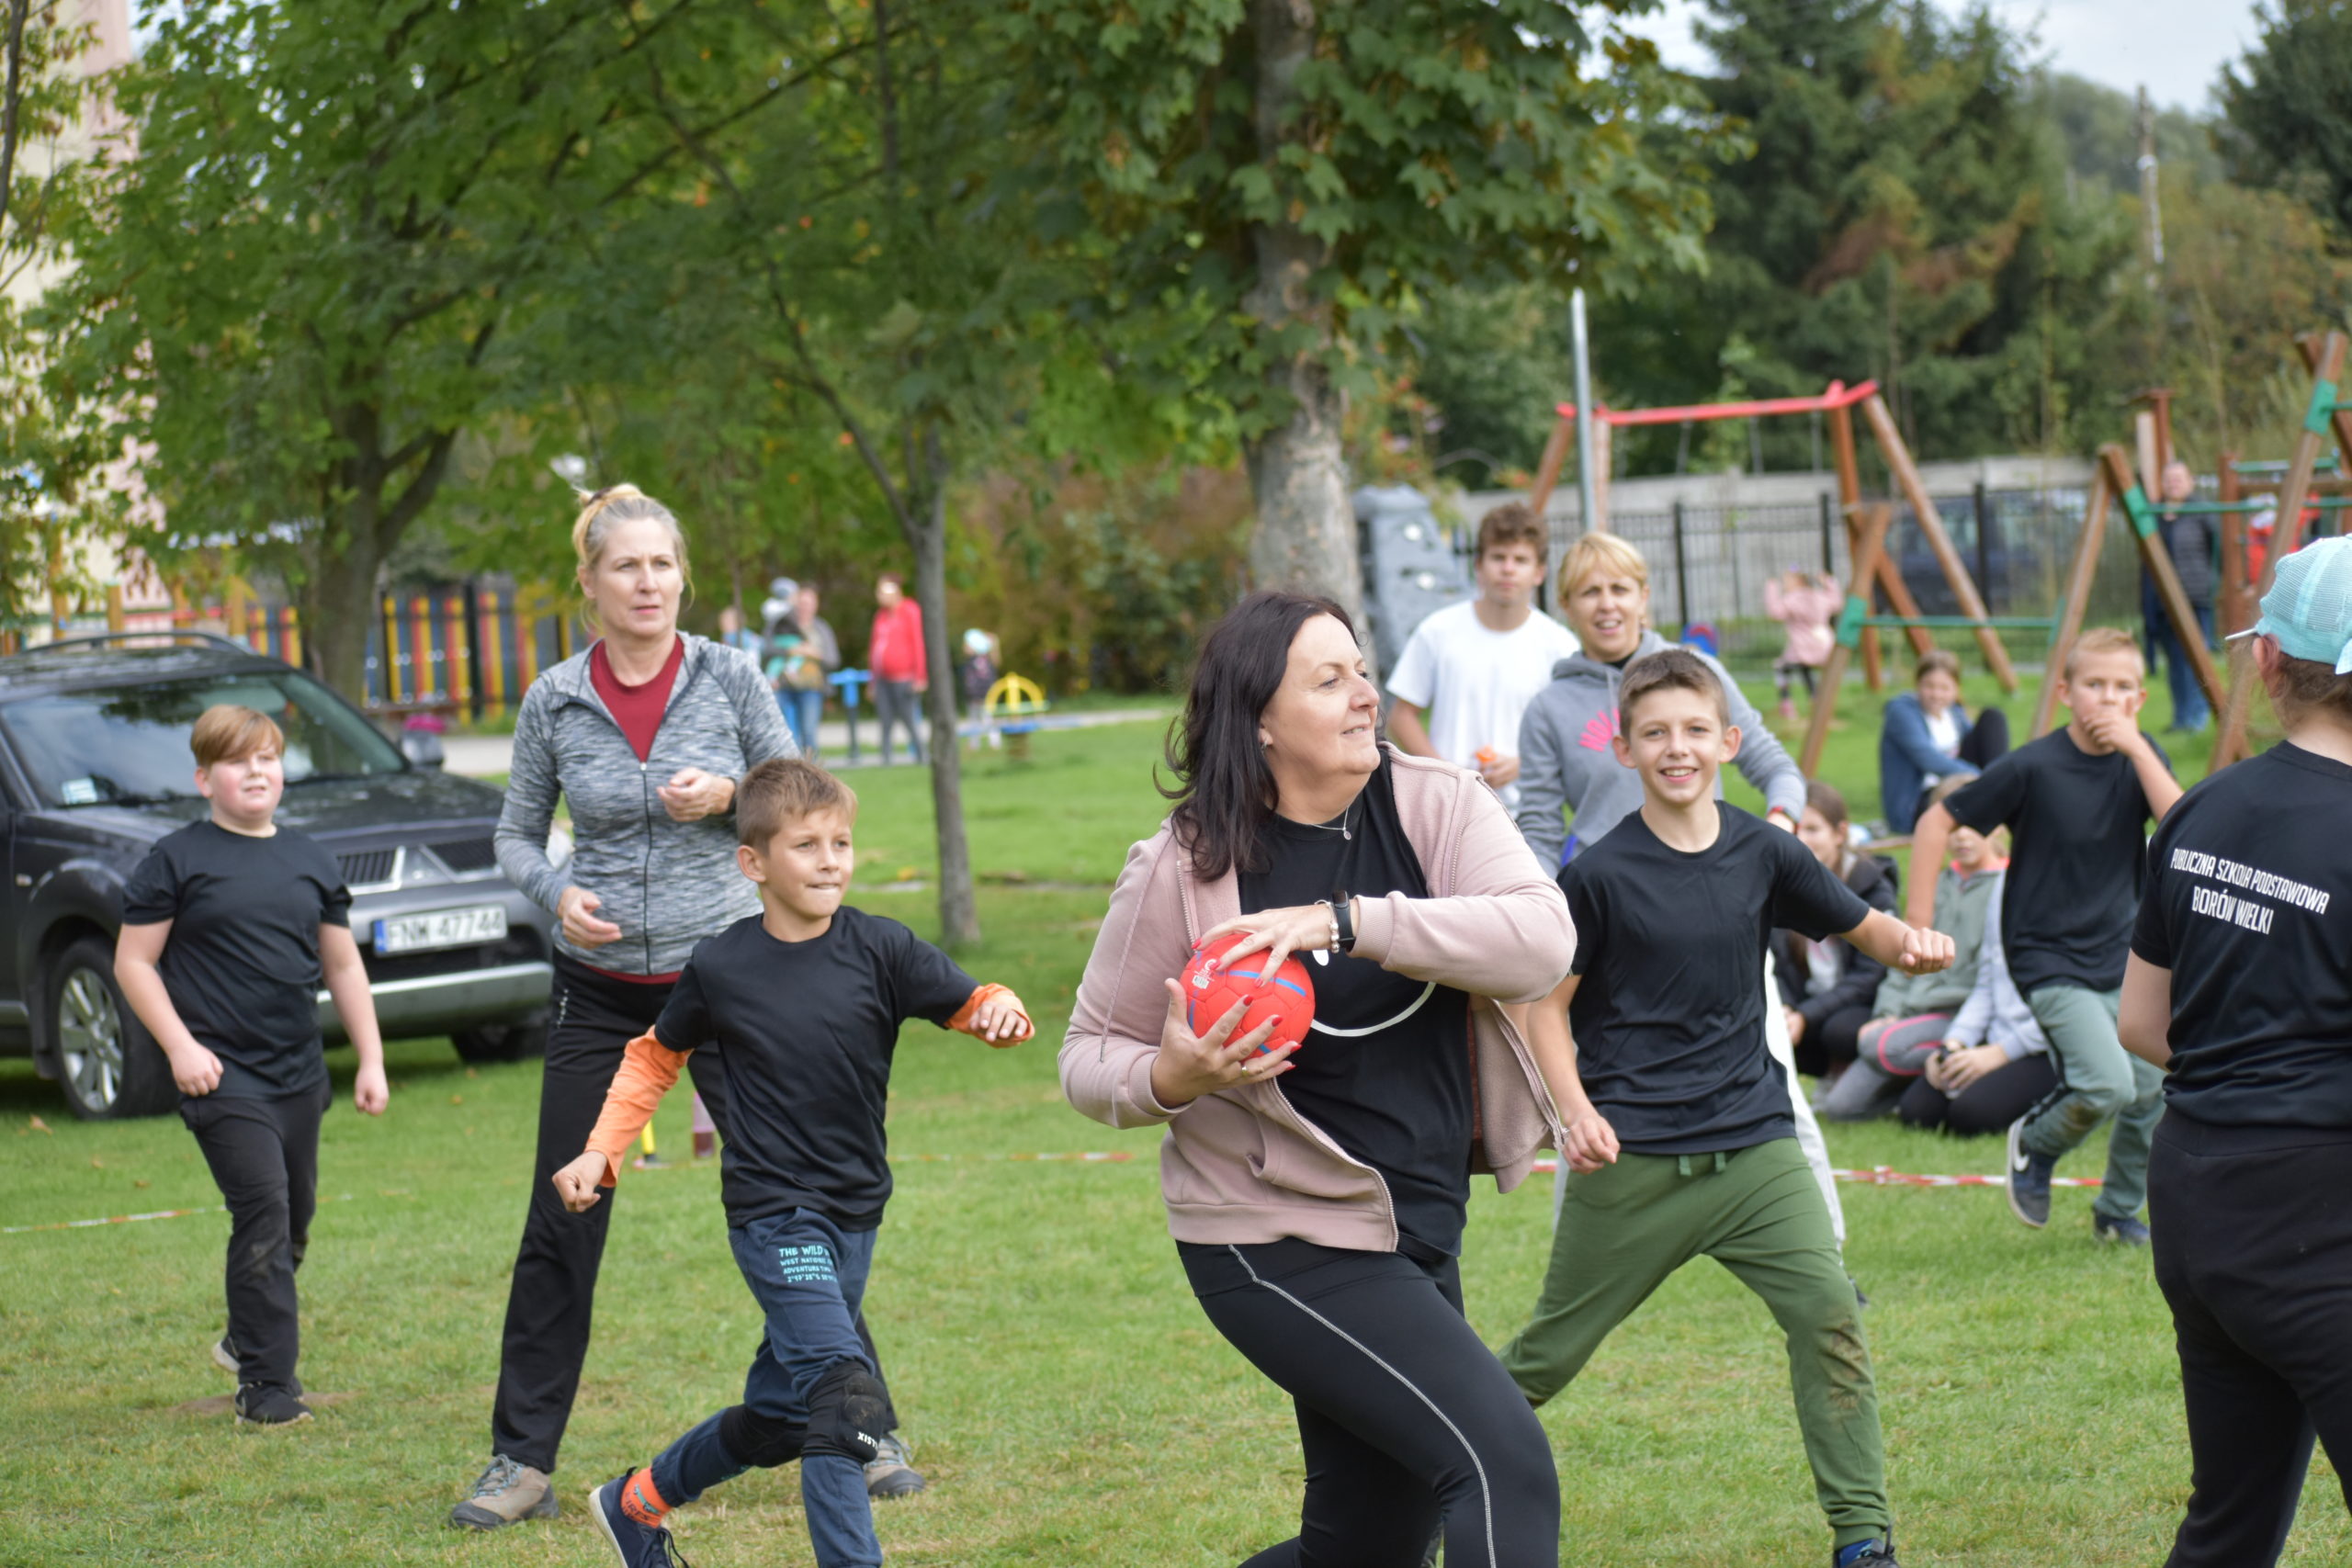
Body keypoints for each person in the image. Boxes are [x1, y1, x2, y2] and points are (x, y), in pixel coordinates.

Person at [1063, 591, 1575, 1567]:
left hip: (1414, 1218)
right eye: (1327, 679)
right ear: (1260, 719)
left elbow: (1541, 939)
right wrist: (1172, 1076)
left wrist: (1351, 922)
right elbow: (1088, 1054)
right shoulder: (1180, 866)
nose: (1362, 698)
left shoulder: (1437, 803)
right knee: (1502, 1465)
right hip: (1271, 1233)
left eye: (1363, 673)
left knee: (1368, 1552)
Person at [1499, 649, 1951, 1568]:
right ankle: (1407, 1494)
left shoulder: (1764, 850)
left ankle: (1863, 1539)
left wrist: (1917, 945)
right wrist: (1574, 1112)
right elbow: (1540, 1009)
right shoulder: (1597, 876)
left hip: (1754, 1150)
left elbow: (1871, 929)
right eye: (1655, 733)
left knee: (1828, 1312)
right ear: (1622, 749)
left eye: (1695, 731)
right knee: (1543, 1361)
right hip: (1634, 1160)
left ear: (1728, 742)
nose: (1677, 749)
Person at [456, 484, 838, 1528]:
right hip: (600, 990)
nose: (646, 583)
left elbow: (807, 800)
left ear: (682, 577)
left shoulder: (729, 675)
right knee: (563, 1214)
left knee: (795, 1202)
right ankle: (519, 1460)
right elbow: (515, 837)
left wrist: (728, 801)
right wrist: (555, 894)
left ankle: (864, 1419)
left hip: (730, 984)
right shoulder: (554, 699)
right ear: (588, 584)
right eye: (624, 567)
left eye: (661, 565)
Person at [553, 759, 1034, 1568]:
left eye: (841, 842)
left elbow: (970, 998)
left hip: (854, 1216)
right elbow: (652, 1057)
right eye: (805, 844)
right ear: (754, 863)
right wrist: (602, 1150)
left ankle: (634, 1504)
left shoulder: (881, 946)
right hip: (775, 1214)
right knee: (844, 1398)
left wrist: (999, 1008)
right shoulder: (721, 965)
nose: (829, 860)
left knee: (782, 1417)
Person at [2119, 538, 2352, 1567]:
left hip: (2199, 1208)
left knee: (2230, 1525)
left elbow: (2140, 1025)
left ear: (2264, 663)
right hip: (2318, 1227)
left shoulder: (2201, 806)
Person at [1514, 532, 1847, 1244]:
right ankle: (1580, 1263)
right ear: (1567, 605)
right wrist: (1549, 911)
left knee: (1780, 1086)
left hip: (1718, 917)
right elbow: (1539, 827)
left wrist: (1775, 835)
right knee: (1591, 1093)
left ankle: (1828, 1253)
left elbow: (1775, 768)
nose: (1608, 605)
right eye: (1590, 591)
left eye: (1620, 588)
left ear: (1644, 595)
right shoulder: (1549, 708)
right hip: (1613, 930)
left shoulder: (1700, 674)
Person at [113, 705, 390, 1427]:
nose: (257, 771)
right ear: (206, 778)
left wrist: (371, 1058)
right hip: (219, 1073)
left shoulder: (309, 858)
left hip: (297, 1072)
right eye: (238, 761)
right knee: (262, 1207)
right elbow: (133, 962)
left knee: (294, 1219)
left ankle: (245, 1335)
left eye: (267, 757)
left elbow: (342, 964)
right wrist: (181, 1046)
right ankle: (267, 1386)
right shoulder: (175, 859)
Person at [1906, 625, 2180, 1243]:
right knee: (2107, 1083)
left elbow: (2183, 826)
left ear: (2139, 698)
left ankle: (2116, 1211)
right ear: (2064, 691)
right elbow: (1934, 822)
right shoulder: (2033, 765)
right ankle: (2034, 1141)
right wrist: (1917, 923)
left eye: (2122, 687)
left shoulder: (2143, 757)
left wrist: (2139, 751)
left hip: (2123, 955)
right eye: (2093, 685)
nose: (2107, 699)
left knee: (2148, 1092)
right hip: (2047, 957)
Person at [1816, 775, 2004, 1122]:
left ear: (1997, 827)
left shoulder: (2005, 888)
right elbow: (1902, 955)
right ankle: (1913, 1079)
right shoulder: (1934, 885)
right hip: (1912, 1013)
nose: (1962, 836)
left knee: (1880, 1045)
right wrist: (1888, 1011)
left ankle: (1956, 1058)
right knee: (1840, 1109)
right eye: (1952, 827)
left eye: (1973, 825)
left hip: (1959, 1017)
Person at [1384, 502, 1579, 811]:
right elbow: (1401, 716)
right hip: (1448, 809)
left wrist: (1522, 762)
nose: (1508, 569)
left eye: (1521, 560)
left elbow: (1572, 731)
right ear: (1478, 565)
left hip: (1528, 814)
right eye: (1498, 557)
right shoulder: (1438, 631)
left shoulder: (1560, 646)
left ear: (1540, 572)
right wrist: (1447, 775)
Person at [1895, 898, 2056, 1137]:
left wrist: (2001, 1053)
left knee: (1970, 1116)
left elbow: (2070, 1010)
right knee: (1917, 1111)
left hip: (2051, 1047)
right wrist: (1954, 1043)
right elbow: (1985, 987)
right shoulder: (2004, 887)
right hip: (1996, 1037)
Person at [1773, 781, 1899, 1081]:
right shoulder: (1777, 884)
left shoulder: (1870, 885)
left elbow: (1870, 975)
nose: (1800, 839)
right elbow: (1772, 960)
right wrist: (1787, 1009)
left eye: (1812, 829)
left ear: (1840, 833)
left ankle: (1851, 1076)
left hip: (1858, 1003)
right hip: (1806, 1001)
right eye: (1794, 830)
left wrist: (1807, 1014)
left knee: (1838, 1030)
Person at [1878, 649, 2009, 834]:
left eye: (1944, 688)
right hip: (1919, 801)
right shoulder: (1901, 712)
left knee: (1993, 717)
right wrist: (1983, 781)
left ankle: (2000, 792)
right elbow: (1927, 757)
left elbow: (1975, 747)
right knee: (1970, 790)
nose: (1936, 694)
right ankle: (1995, 792)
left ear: (1956, 689)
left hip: (1960, 787)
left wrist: (1991, 778)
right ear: (1917, 685)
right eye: (1929, 686)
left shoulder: (1954, 713)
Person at [2143, 458, 2218, 733]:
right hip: (2163, 600)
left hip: (2194, 596)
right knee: (2174, 660)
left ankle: (2197, 717)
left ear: (2191, 481)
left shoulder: (2202, 512)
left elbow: (2216, 550)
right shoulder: (2155, 515)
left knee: (2195, 657)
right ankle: (2181, 718)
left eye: (2179, 478)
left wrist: (2212, 583)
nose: (2173, 484)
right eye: (2168, 479)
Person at [1766, 568, 1841, 723]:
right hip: (1823, 645)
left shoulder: (1793, 598)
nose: (1784, 584)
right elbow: (1837, 603)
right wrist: (1829, 582)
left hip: (1801, 647)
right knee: (1805, 670)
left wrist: (1771, 588)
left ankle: (1786, 704)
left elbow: (1775, 612)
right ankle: (1816, 702)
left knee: (1781, 668)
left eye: (1787, 580)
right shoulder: (1820, 596)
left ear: (1798, 581)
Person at [775, 584, 840, 761]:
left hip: (811, 687)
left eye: (808, 603)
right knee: (782, 732)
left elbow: (833, 659)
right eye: (801, 602)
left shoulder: (821, 629)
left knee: (809, 732)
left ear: (815, 604)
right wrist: (790, 651)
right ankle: (787, 771)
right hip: (784, 686)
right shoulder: (784, 624)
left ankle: (812, 772)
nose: (804, 606)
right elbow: (768, 647)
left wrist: (813, 653)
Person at [868, 571, 927, 765]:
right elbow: (875, 648)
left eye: (882, 590)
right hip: (883, 679)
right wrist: (872, 681)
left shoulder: (910, 611)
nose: (879, 595)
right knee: (885, 721)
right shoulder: (881, 616)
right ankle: (886, 759)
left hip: (904, 678)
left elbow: (918, 643)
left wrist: (920, 676)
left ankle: (921, 756)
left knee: (909, 719)